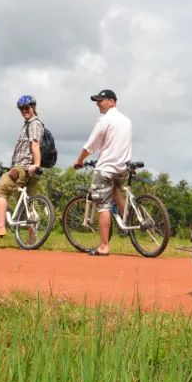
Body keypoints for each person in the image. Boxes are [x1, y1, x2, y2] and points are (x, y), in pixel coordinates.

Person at [73, 89, 132, 256]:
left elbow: (90, 145)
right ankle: (126, 219)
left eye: (101, 100)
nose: (98, 103)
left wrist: (79, 160)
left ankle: (104, 246)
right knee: (114, 190)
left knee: (102, 205)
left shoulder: (105, 120)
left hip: (106, 168)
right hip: (122, 168)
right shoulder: (126, 121)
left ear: (111, 102)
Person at [0, 95, 43, 238]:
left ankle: (0, 226)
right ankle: (32, 238)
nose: (24, 111)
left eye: (27, 108)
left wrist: (36, 164)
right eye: (21, 109)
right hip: (28, 169)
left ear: (34, 108)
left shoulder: (34, 124)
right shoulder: (28, 125)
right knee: (28, 203)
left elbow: (35, 144)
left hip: (22, 167)